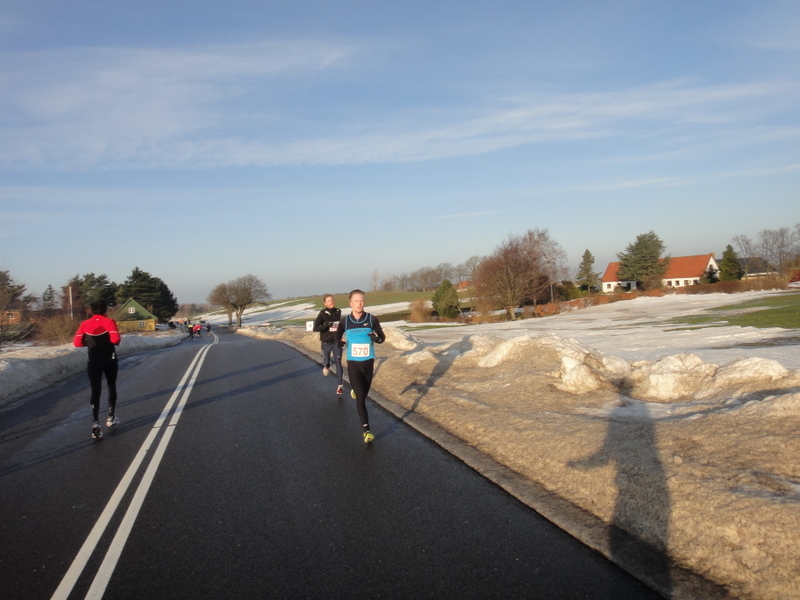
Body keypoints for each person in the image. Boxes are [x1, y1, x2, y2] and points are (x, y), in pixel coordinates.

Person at [334, 289, 385, 443]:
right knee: (361, 398)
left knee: (364, 393)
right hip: (353, 363)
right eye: (356, 300)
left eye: (361, 300)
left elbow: (382, 337)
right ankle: (366, 430)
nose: (359, 303)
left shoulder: (371, 319)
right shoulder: (345, 321)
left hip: (368, 362)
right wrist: (339, 342)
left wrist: (376, 339)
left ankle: (357, 392)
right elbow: (337, 334)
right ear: (351, 304)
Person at [73, 300, 122, 439]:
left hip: (93, 361)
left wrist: (89, 343)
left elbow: (77, 343)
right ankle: (111, 417)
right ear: (105, 309)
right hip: (109, 360)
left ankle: (95, 423)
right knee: (111, 387)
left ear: (91, 311)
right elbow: (115, 340)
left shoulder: (84, 324)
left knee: (95, 392)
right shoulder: (109, 322)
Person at [312, 294, 344, 395]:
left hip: (336, 342)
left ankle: (340, 386)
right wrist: (326, 325)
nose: (331, 302)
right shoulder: (322, 313)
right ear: (325, 303)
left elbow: (339, 326)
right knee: (326, 360)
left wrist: (341, 334)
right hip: (326, 342)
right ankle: (326, 365)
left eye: (332, 300)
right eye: (329, 301)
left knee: (338, 362)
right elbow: (315, 328)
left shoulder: (338, 311)